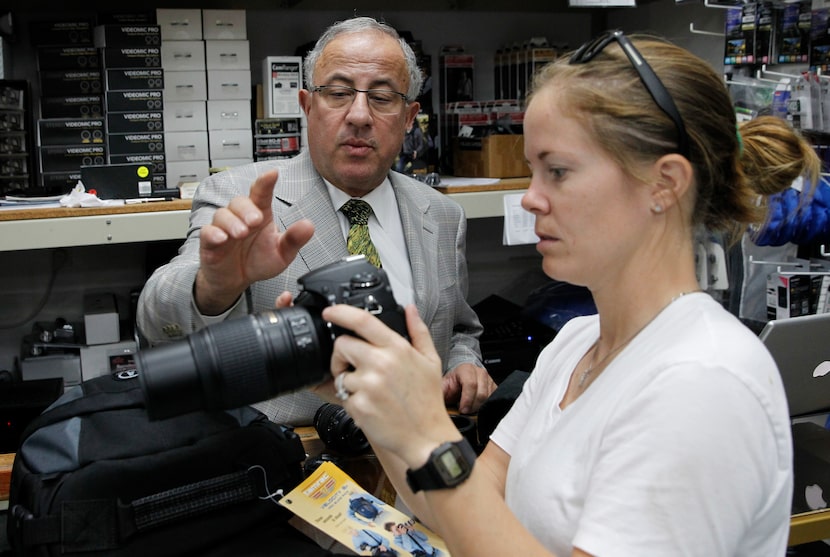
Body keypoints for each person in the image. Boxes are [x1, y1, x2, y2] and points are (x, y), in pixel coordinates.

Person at [306, 30, 810, 556]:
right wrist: (375, 405)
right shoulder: (576, 344)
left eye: (558, 171)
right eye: (532, 169)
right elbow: (466, 508)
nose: (529, 198)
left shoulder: (703, 381)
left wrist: (428, 431)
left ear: (665, 184)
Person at [135, 16, 495, 424]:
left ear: (409, 116)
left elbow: (460, 327)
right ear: (307, 105)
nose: (359, 115)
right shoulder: (245, 197)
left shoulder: (443, 215)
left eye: (382, 98)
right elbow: (155, 321)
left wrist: (465, 364)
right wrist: (214, 288)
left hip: (420, 451)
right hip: (294, 461)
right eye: (338, 93)